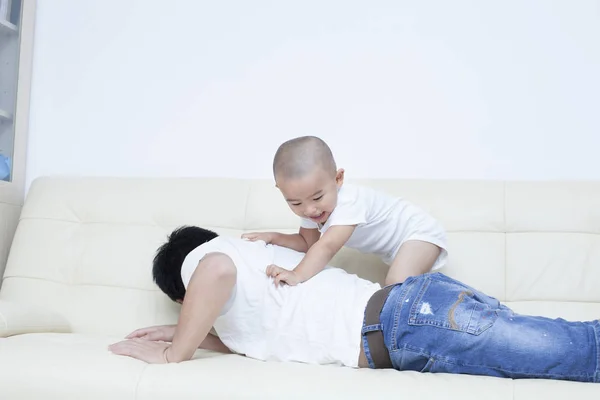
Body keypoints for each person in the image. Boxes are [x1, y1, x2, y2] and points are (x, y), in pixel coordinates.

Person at [109, 226, 600, 383]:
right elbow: (262, 329)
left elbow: (213, 274)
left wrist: (177, 353)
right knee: (562, 344)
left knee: (577, 352)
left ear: (184, 288)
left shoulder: (208, 259)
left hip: (406, 324)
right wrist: (186, 333)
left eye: (185, 304)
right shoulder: (257, 263)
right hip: (417, 312)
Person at [241, 135, 447, 287]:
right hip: (398, 247)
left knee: (396, 283)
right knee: (401, 286)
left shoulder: (349, 201)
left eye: (317, 197)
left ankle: (451, 303)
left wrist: (296, 275)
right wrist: (272, 237)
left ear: (338, 179)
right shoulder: (314, 210)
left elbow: (326, 247)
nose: (309, 209)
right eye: (295, 203)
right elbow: (307, 244)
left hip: (418, 232)